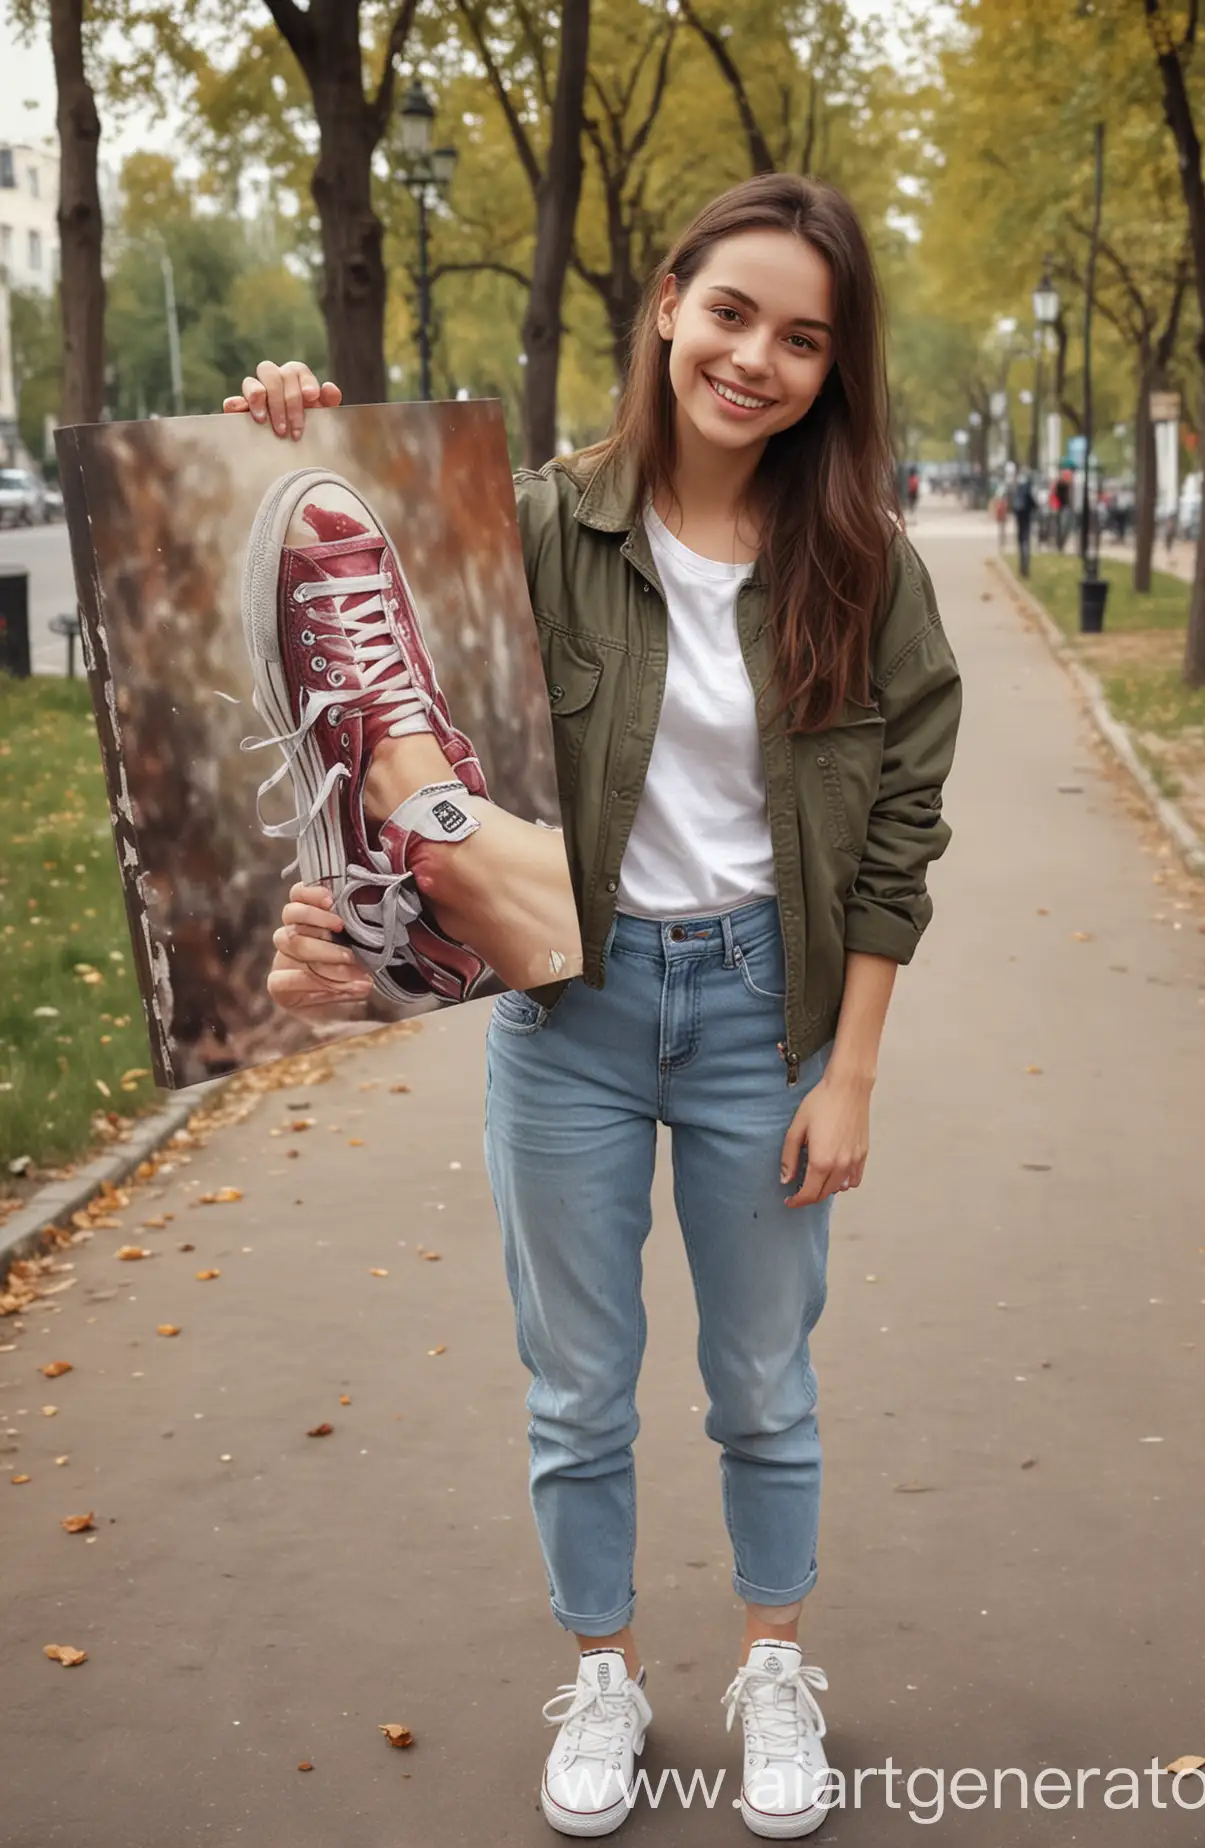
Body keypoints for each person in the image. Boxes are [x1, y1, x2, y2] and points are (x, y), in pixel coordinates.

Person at [224, 173, 962, 1842]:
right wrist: (293, 427)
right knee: (577, 1380)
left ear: (831, 373)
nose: (754, 358)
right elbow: (393, 562)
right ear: (665, 306)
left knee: (762, 1377)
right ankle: (607, 1670)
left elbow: (902, 829)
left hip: (762, 1011)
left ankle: (775, 1661)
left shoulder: (861, 569)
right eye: (729, 312)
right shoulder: (540, 523)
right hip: (573, 1009)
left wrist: (850, 1072)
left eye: (801, 338)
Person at [1011, 469, 1035, 578]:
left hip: (1020, 519)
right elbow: (1033, 503)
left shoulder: (1018, 490)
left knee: (1021, 541)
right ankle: (1025, 566)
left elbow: (1014, 506)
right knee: (1026, 541)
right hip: (1026, 519)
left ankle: (1022, 566)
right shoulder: (1027, 490)